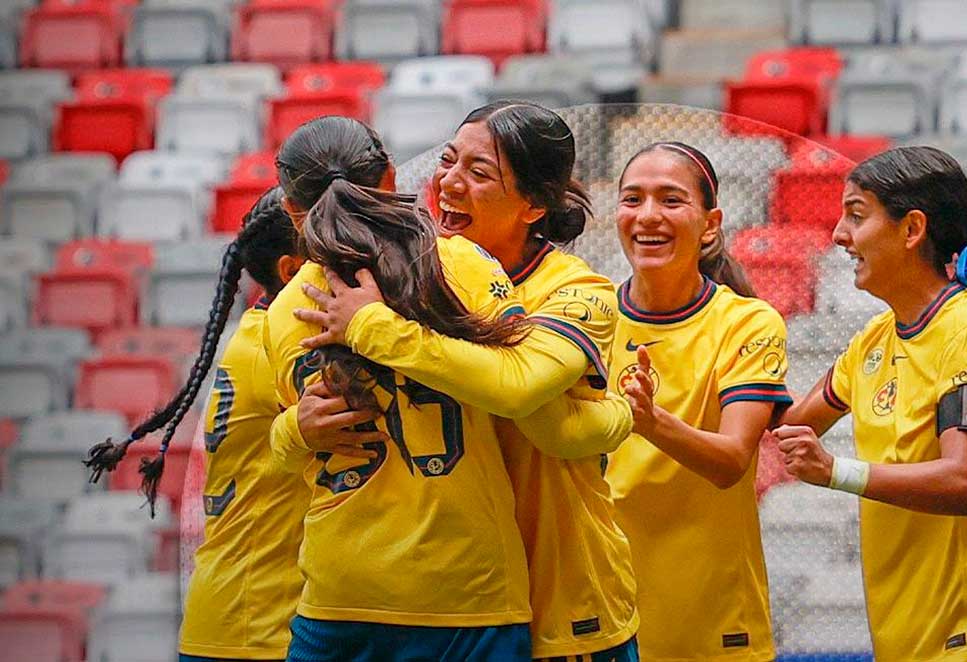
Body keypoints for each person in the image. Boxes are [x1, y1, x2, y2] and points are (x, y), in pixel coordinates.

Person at [266, 115, 632, 661]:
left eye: (479, 171)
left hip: (565, 597)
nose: (448, 183)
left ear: (535, 205)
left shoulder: (575, 289)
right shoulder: (421, 272)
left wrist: (622, 415)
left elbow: (529, 401)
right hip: (467, 600)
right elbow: (287, 432)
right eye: (446, 160)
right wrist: (296, 428)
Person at [772, 146, 967, 662]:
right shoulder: (875, 340)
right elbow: (787, 423)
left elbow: (962, 482)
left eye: (856, 215)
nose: (838, 235)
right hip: (911, 635)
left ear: (911, 229)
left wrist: (835, 471)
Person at [83, 187, 311, 661]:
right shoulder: (280, 347)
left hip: (237, 616)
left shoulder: (257, 334)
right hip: (258, 628)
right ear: (292, 270)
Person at [608, 142, 791, 661]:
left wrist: (651, 422)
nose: (648, 216)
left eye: (670, 200)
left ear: (710, 224)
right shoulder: (588, 317)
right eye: (632, 199)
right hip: (604, 619)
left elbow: (732, 460)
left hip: (714, 625)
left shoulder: (747, 323)